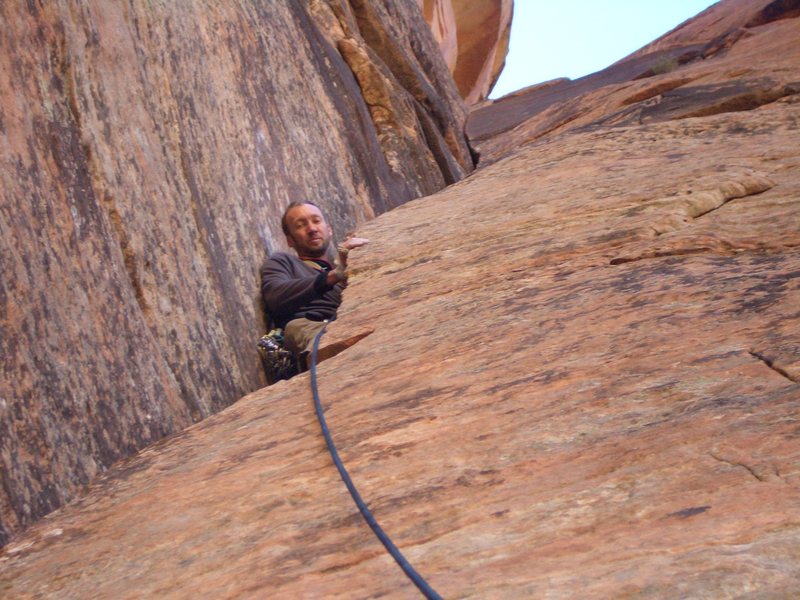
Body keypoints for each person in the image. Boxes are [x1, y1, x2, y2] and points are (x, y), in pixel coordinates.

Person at [260, 201, 368, 361]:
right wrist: (335, 275)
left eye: (316, 221)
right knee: (297, 329)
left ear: (329, 229)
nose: (312, 229)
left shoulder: (347, 265)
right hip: (309, 327)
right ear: (290, 240)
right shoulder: (283, 262)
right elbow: (275, 296)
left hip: (349, 322)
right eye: (300, 225)